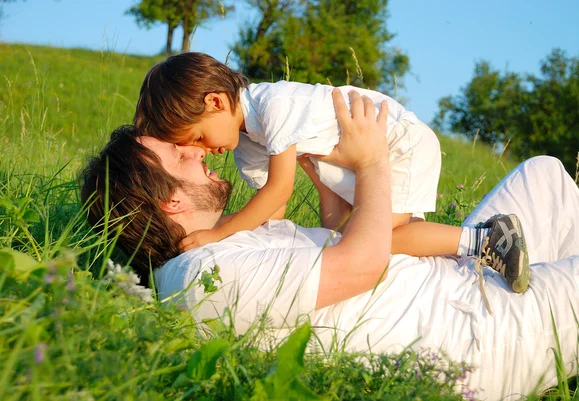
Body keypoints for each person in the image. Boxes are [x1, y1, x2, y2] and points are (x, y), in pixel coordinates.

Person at [81, 91, 579, 399]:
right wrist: (371, 162)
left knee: (546, 175)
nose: (196, 153)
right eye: (179, 157)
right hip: (476, 334)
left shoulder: (230, 242)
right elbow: (360, 265)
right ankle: (562, 325)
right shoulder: (197, 279)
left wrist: (328, 185)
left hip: (462, 280)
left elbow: (347, 240)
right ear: (168, 202)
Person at [133, 52, 529, 293]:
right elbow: (273, 215)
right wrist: (212, 237)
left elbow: (279, 189)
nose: (206, 152)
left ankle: (485, 240)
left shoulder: (275, 106)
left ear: (216, 101)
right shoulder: (247, 147)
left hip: (396, 143)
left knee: (379, 238)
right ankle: (462, 257)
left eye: (199, 137)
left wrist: (218, 231)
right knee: (357, 234)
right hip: (360, 160)